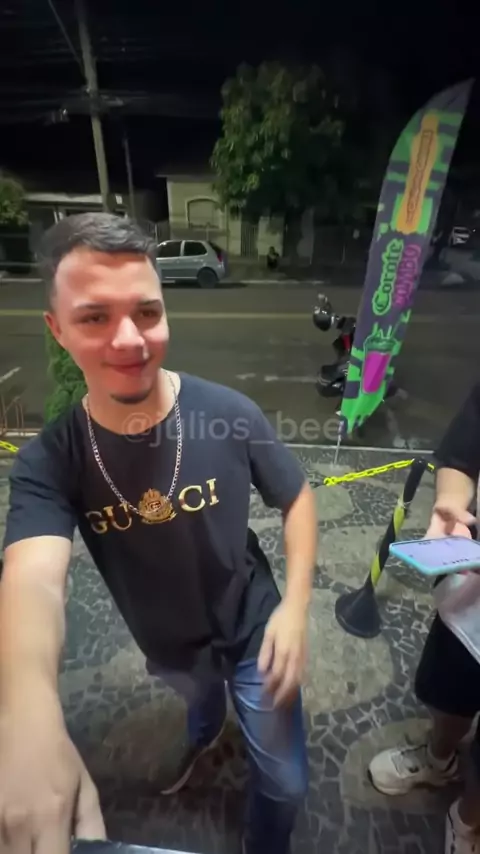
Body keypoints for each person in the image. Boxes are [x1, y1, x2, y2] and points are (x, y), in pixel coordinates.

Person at [0, 213, 317, 854]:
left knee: (285, 785)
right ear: (57, 330)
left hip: (253, 627)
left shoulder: (228, 414)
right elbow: (33, 581)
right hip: (168, 644)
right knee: (200, 706)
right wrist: (26, 714)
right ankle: (204, 731)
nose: (130, 339)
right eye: (95, 317)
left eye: (147, 312)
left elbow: (297, 497)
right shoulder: (49, 462)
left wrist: (296, 607)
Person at [369, 382, 480, 854]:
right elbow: (460, 455)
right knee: (447, 689)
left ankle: (468, 821)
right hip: (472, 599)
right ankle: (439, 757)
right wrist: (453, 504)